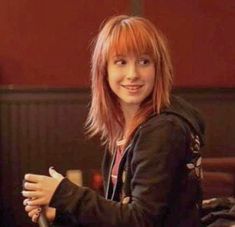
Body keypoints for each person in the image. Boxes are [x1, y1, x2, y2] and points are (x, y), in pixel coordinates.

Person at [22, 15, 205, 226]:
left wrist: (65, 195)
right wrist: (62, 212)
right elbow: (121, 214)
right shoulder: (125, 127)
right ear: (104, 70)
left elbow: (139, 220)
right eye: (121, 62)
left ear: (158, 68)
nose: (132, 74)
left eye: (144, 62)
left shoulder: (164, 129)